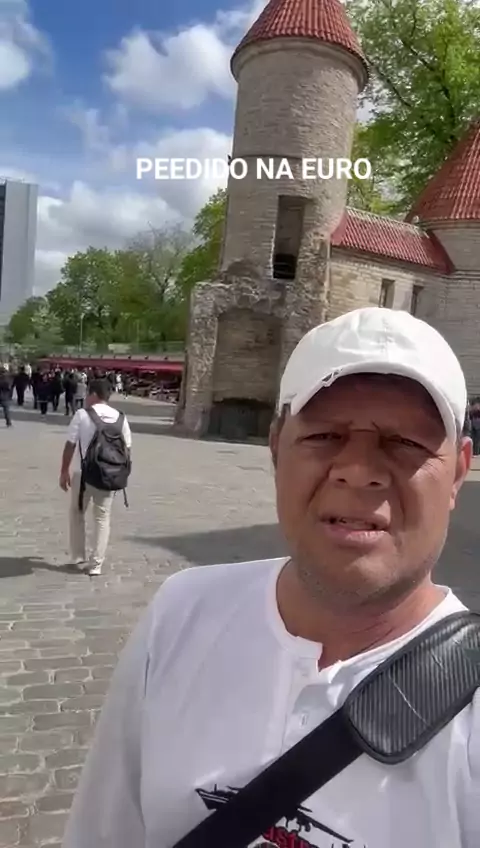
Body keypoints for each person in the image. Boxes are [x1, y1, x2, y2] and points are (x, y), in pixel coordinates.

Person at [62, 307, 478, 848]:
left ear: (458, 471)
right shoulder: (182, 613)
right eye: (325, 435)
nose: (359, 470)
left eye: (405, 443)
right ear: (277, 448)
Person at [58, 378, 132, 576]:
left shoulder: (82, 415)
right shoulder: (120, 417)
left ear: (92, 394)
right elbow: (127, 449)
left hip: (83, 475)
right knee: (102, 518)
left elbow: (70, 444)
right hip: (108, 476)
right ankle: (96, 564)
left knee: (77, 513)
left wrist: (64, 471)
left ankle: (78, 556)